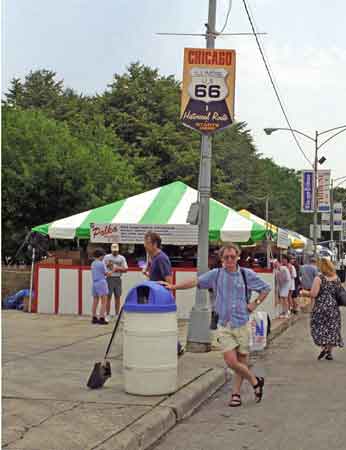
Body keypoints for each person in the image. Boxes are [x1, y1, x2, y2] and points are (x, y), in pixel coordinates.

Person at [161, 242, 271, 407]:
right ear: (221, 259)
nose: (229, 259)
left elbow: (265, 288)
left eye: (232, 256)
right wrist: (174, 286)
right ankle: (255, 381)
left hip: (242, 323)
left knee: (241, 361)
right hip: (224, 325)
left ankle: (236, 394)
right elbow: (196, 282)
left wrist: (254, 303)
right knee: (231, 361)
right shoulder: (216, 274)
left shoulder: (246, 274)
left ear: (238, 257)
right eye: (226, 257)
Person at [143, 232, 184, 356]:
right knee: (157, 324)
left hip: (160, 298)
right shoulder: (154, 258)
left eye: (147, 243)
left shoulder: (161, 258)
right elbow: (158, 277)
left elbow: (169, 281)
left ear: (155, 244)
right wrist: (149, 275)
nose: (144, 245)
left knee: (162, 324)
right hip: (155, 295)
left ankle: (176, 347)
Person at [308, 258, 344, 360]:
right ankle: (329, 352)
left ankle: (324, 347)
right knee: (332, 328)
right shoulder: (336, 278)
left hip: (321, 306)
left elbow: (313, 294)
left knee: (319, 327)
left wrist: (304, 293)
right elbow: (339, 292)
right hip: (333, 306)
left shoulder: (319, 278)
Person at [104, 243, 128, 318]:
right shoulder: (106, 257)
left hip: (117, 278)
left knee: (117, 297)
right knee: (108, 297)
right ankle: (107, 314)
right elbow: (103, 267)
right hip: (109, 278)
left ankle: (117, 314)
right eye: (114, 251)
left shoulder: (121, 258)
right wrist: (108, 268)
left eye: (116, 251)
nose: (115, 252)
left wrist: (117, 268)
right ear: (111, 250)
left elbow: (126, 269)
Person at [91, 249, 111, 325]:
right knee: (104, 301)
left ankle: (94, 317)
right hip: (101, 282)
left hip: (94, 282)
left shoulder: (93, 263)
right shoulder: (101, 263)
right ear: (100, 256)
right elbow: (107, 273)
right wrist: (113, 270)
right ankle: (102, 317)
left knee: (95, 300)